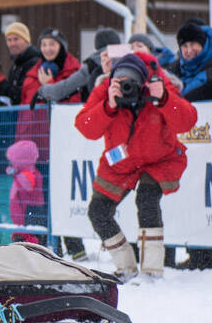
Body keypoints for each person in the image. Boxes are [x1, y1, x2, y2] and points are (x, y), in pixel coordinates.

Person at [75, 52, 198, 281]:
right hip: (121, 162)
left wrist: (163, 99)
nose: (126, 88)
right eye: (121, 84)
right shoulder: (105, 88)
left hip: (161, 158)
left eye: (130, 84)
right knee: (98, 212)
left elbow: (188, 121)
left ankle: (151, 271)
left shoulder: (159, 85)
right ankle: (126, 268)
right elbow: (85, 127)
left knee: (147, 198)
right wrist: (109, 105)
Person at [167, 18, 212, 270]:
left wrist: (174, 91)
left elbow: (197, 89)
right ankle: (195, 252)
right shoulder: (176, 68)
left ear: (204, 45)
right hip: (186, 144)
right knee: (190, 195)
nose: (188, 50)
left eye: (194, 44)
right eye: (184, 45)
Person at [21, 28, 85, 261]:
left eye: (52, 44)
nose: (48, 49)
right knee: (39, 196)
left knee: (62, 196)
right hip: (37, 144)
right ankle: (44, 247)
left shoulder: (74, 70)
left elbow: (71, 100)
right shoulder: (33, 72)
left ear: (62, 46)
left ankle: (76, 248)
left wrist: (51, 85)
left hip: (62, 143)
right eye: (45, 44)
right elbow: (28, 104)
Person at [38, 28, 121, 104]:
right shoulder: (128, 62)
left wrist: (43, 90)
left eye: (52, 44)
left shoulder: (92, 65)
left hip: (100, 110)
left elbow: (63, 89)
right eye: (44, 45)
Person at [0, 22, 42, 105]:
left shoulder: (35, 63)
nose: (12, 44)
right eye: (9, 40)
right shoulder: (16, 64)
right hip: (18, 114)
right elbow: (11, 96)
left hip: (30, 114)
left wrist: (1, 83)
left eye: (16, 39)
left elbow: (21, 95)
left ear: (26, 40)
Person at [6, 139, 44, 244]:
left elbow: (27, 185)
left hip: (28, 213)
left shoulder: (30, 174)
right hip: (21, 214)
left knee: (30, 238)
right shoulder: (24, 173)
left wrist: (16, 173)